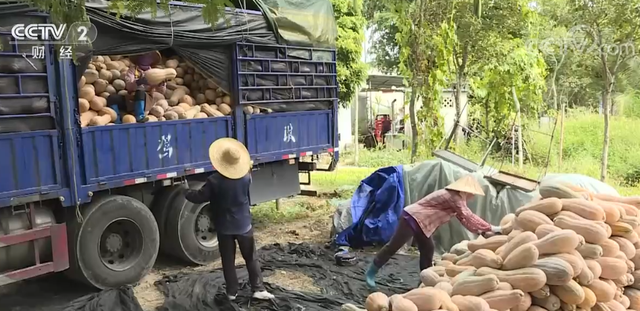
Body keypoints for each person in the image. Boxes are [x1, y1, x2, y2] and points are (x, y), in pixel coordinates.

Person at [364, 174, 502, 289]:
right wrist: (491, 227)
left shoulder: (457, 200)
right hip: (412, 218)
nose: (473, 196)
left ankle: (425, 282)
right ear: (466, 191)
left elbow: (465, 220)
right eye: (473, 193)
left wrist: (482, 231)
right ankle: (371, 271)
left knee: (428, 249)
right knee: (393, 246)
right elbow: (469, 216)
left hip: (424, 224)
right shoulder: (453, 197)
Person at [184, 138, 275, 301]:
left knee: (228, 260)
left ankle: (232, 292)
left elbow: (199, 197)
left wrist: (185, 191)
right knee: (250, 257)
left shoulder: (214, 181)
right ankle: (258, 288)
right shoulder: (246, 178)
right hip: (243, 224)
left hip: (224, 227)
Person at [106, 51, 166, 123]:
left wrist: (161, 84)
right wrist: (138, 82)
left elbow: (161, 92)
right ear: (138, 58)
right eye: (142, 56)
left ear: (152, 60)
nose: (145, 58)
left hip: (146, 99)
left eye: (148, 56)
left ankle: (140, 116)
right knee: (112, 98)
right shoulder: (132, 70)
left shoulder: (156, 72)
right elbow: (128, 86)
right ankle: (117, 120)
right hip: (131, 97)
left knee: (140, 91)